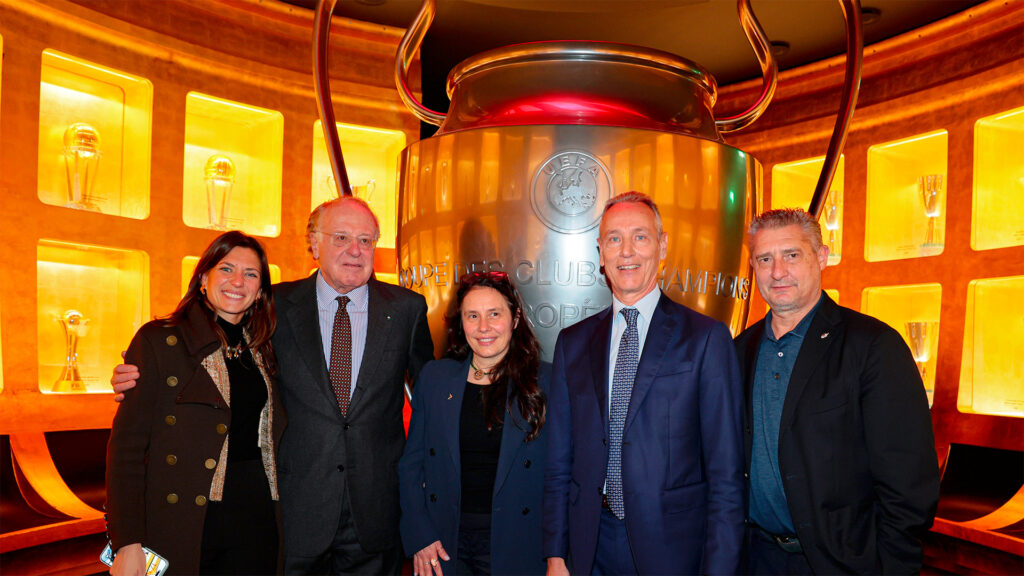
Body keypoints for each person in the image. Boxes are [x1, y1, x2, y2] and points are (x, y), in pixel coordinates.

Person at [112, 196, 435, 574]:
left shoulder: (407, 309)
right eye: (341, 237)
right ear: (314, 244)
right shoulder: (274, 305)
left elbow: (433, 396)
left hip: (375, 514)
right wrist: (138, 372)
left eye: (366, 240)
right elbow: (201, 340)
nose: (355, 250)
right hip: (293, 513)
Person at [543, 191, 745, 576]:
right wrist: (555, 554)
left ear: (662, 245)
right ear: (601, 253)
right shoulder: (573, 343)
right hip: (590, 545)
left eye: (640, 236)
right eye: (614, 239)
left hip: (674, 549)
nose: (626, 251)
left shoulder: (705, 338)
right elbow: (558, 463)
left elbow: (726, 474)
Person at [736, 208, 940, 575]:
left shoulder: (873, 346)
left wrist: (885, 564)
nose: (777, 271)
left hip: (843, 564)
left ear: (821, 257)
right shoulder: (739, 350)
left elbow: (908, 481)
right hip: (755, 559)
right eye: (765, 259)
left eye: (791, 255)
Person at [106, 231, 284, 576]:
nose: (237, 281)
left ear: (261, 290)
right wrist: (126, 541)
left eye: (250, 274)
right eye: (226, 269)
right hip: (187, 518)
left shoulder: (265, 347)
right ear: (203, 278)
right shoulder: (159, 341)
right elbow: (127, 450)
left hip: (257, 515)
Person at [399, 271, 549, 576]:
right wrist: (420, 535)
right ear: (461, 323)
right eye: (472, 316)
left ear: (515, 319)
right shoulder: (435, 378)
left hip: (517, 541)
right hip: (443, 542)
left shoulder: (546, 381)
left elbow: (562, 475)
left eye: (494, 314)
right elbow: (411, 466)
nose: (483, 327)